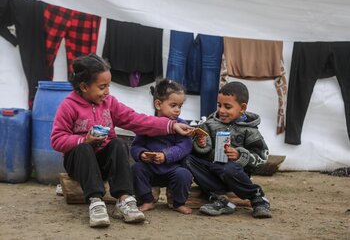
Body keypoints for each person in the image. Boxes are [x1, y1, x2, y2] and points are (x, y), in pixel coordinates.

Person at [50, 54, 193, 228]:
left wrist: (171, 126)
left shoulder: (109, 103)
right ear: (84, 86)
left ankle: (124, 199)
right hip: (79, 165)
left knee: (118, 143)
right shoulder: (69, 106)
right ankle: (95, 202)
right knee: (84, 148)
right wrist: (83, 140)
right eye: (102, 87)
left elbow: (135, 120)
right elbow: (57, 139)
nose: (107, 92)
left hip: (103, 165)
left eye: (108, 86)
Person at [184, 81, 272, 218]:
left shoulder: (250, 130)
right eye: (219, 105)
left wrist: (240, 156)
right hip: (212, 176)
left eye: (228, 106)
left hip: (235, 176)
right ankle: (220, 199)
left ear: (242, 108)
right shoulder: (209, 124)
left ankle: (257, 197)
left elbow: (262, 158)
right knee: (187, 159)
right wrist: (201, 145)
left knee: (229, 168)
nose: (222, 111)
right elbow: (199, 151)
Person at [131, 78, 193, 214]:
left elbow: (185, 146)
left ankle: (178, 203)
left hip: (172, 169)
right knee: (136, 169)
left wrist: (166, 155)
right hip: (150, 168)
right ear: (158, 104)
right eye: (173, 105)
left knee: (184, 174)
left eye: (180, 106)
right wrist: (142, 154)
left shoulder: (181, 124)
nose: (177, 110)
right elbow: (136, 145)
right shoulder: (148, 124)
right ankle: (147, 200)